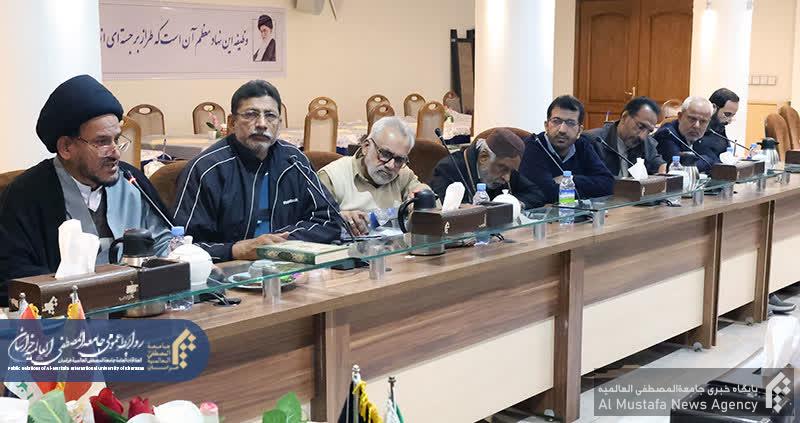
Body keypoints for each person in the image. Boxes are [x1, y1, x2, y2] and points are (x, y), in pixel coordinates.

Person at [0, 75, 171, 306]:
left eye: (116, 140)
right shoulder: (26, 195)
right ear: (66, 147)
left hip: (142, 310)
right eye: (102, 142)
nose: (116, 153)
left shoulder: (131, 181)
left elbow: (165, 243)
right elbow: (15, 278)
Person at [172, 80, 341, 261]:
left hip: (290, 266)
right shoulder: (207, 169)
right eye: (251, 115)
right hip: (227, 272)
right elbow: (180, 246)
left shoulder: (294, 161)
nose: (261, 124)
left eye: (270, 116)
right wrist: (236, 250)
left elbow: (329, 220)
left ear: (279, 123)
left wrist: (280, 243)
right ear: (232, 122)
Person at [317, 117, 429, 236]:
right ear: (366, 147)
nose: (391, 165)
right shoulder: (331, 177)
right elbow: (314, 224)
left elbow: (432, 213)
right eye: (385, 154)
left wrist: (426, 194)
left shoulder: (403, 174)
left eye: (399, 159)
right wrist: (338, 219)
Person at [519, 95, 614, 203]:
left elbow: (608, 184)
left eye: (570, 123)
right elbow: (544, 194)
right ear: (546, 126)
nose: (562, 130)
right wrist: (587, 187)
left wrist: (570, 179)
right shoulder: (533, 146)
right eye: (556, 121)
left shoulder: (582, 145)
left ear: (579, 130)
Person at [430, 128, 546, 208]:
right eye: (502, 168)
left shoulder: (508, 169)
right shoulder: (448, 169)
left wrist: (515, 204)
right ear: (483, 157)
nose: (507, 178)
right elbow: (447, 213)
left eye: (511, 171)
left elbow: (537, 194)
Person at [584, 97, 666, 177]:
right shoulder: (592, 141)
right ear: (625, 117)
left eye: (649, 131)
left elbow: (658, 163)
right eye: (640, 127)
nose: (642, 136)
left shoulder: (645, 142)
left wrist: (662, 168)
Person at [653, 96, 720, 173]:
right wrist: (707, 160)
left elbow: (716, 161)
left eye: (703, 121)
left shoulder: (702, 135)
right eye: (692, 119)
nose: (697, 126)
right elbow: (680, 167)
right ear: (680, 117)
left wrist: (707, 160)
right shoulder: (667, 134)